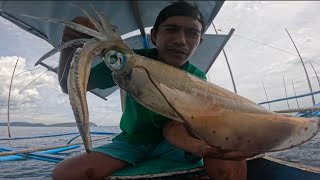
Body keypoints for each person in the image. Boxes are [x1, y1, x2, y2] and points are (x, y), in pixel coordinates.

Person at [53, 2, 255, 180]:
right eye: (171, 30)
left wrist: (197, 147)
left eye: (192, 33)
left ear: (199, 41)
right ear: (155, 36)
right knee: (66, 173)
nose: (181, 40)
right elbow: (67, 85)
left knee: (228, 162)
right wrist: (68, 46)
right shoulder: (127, 62)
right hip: (132, 141)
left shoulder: (196, 77)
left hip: (178, 141)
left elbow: (177, 126)